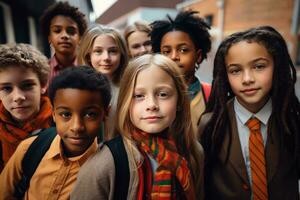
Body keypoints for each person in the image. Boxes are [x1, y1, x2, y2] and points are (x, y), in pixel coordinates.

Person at [71, 54, 204, 199]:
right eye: (139, 96)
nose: (152, 105)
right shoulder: (104, 164)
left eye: (163, 94)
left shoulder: (193, 153)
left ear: (179, 101)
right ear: (126, 103)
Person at [199, 26, 300, 200]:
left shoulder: (293, 122)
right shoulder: (210, 124)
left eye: (259, 66)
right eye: (235, 70)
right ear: (225, 75)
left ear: (277, 66)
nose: (247, 79)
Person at [0, 66, 111, 199]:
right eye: (65, 114)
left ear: (105, 114)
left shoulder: (107, 168)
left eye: (90, 114)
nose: (76, 127)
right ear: (53, 114)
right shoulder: (30, 148)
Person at [151, 10, 212, 134]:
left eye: (183, 50)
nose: (174, 56)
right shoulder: (151, 95)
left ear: (198, 56)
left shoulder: (210, 94)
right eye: (166, 51)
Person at [0, 43, 52, 172]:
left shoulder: (62, 123)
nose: (18, 97)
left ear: (43, 85)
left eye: (27, 85)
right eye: (6, 88)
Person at [78, 25, 129, 140]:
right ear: (88, 55)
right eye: (98, 51)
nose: (106, 57)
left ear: (122, 54)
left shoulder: (129, 87)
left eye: (113, 51)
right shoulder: (79, 89)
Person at [40, 1, 87, 85]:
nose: (64, 35)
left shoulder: (90, 69)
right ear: (49, 38)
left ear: (80, 38)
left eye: (71, 31)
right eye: (57, 31)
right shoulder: (41, 72)